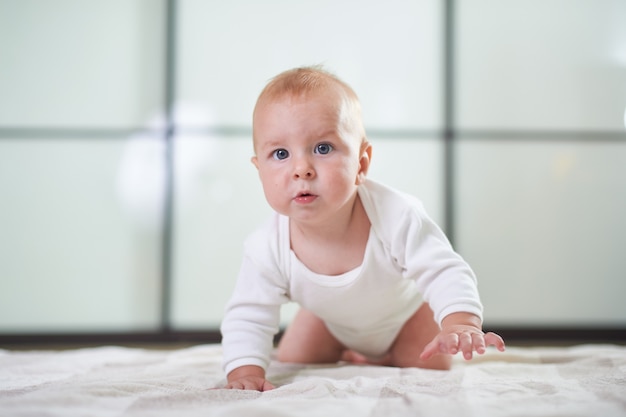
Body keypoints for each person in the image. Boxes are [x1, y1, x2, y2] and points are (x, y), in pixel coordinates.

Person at [220, 66, 505, 391]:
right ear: (259, 169)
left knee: (431, 365)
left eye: (323, 148)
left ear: (361, 163)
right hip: (332, 322)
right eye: (280, 154)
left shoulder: (396, 215)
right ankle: (354, 349)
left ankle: (379, 356)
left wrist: (461, 321)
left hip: (404, 317)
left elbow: (444, 269)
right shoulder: (266, 246)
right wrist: (244, 372)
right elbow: (248, 314)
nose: (302, 169)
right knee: (293, 356)